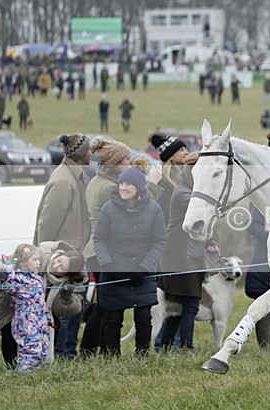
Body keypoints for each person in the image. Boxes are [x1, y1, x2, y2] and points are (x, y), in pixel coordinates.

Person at [94, 167, 166, 356]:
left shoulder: (154, 209)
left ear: (139, 187)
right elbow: (99, 239)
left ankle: (142, 356)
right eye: (121, 184)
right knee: (113, 317)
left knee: (143, 317)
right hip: (114, 272)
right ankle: (111, 356)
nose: (123, 188)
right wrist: (108, 265)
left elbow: (159, 241)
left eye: (128, 185)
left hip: (143, 273)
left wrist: (145, 267)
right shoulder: (108, 208)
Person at [33, 133, 91, 358]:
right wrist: (45, 258)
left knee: (74, 307)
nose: (91, 154)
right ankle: (62, 353)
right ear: (81, 154)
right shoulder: (63, 181)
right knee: (65, 308)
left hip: (73, 255)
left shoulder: (75, 175)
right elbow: (48, 223)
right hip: (62, 258)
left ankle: (67, 351)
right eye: (88, 150)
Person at [79, 138, 133, 356]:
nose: (130, 163)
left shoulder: (96, 182)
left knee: (103, 303)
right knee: (108, 304)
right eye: (127, 159)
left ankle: (90, 347)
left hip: (95, 249)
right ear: (115, 162)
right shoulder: (111, 187)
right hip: (106, 250)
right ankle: (92, 348)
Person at [157, 153, 215, 350]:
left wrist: (209, 242)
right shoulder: (184, 194)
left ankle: (162, 346)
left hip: (185, 256)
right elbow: (205, 210)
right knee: (190, 305)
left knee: (179, 308)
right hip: (180, 257)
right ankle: (185, 348)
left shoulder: (185, 190)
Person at [0, 244, 49, 372]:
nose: (38, 262)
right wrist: (7, 273)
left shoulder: (38, 279)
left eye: (39, 259)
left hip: (40, 320)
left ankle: (37, 372)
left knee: (43, 347)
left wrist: (46, 316)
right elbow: (7, 287)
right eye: (35, 259)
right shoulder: (17, 278)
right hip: (26, 319)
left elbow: (41, 300)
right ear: (23, 263)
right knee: (31, 348)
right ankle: (22, 373)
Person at [244, 205, 270, 348]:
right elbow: (250, 224)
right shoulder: (265, 205)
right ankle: (265, 347)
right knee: (265, 303)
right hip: (263, 262)